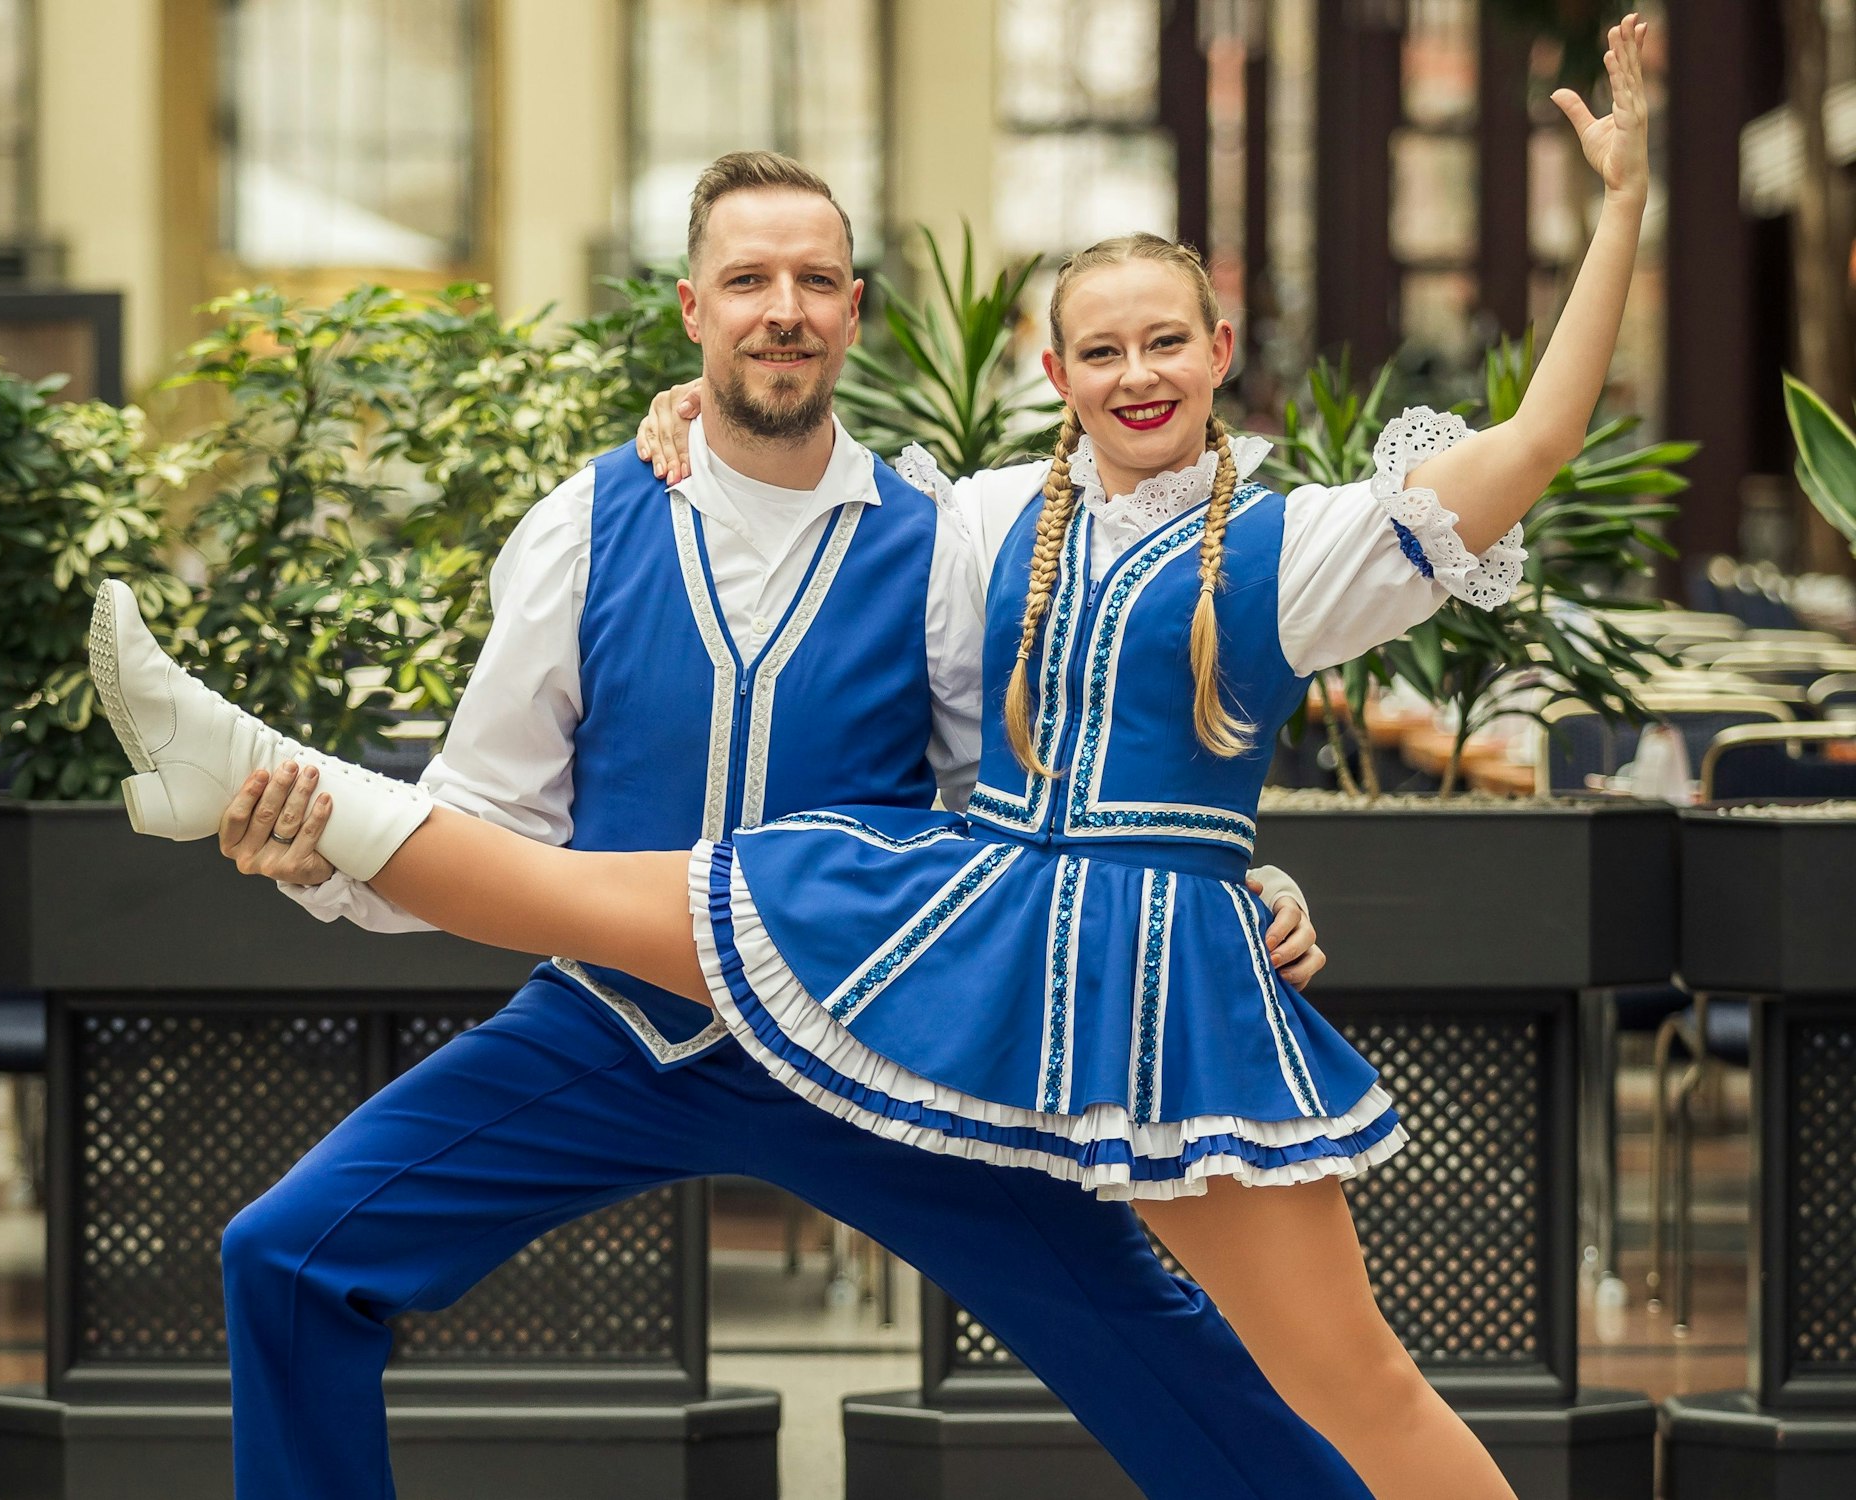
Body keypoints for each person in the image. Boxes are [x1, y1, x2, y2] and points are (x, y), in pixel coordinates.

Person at [90, 17, 1648, 1498]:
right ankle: (260, 782)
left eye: (815, 280)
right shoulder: (591, 523)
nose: (784, 308)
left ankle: (243, 766)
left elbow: (1041, 782)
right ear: (692, 309)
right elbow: (489, 826)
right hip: (615, 1031)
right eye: (747, 280)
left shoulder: (947, 529)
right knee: (284, 1254)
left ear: (855, 310)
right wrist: (318, 864)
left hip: (892, 1035)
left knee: (1175, 1357)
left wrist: (1236, 878)